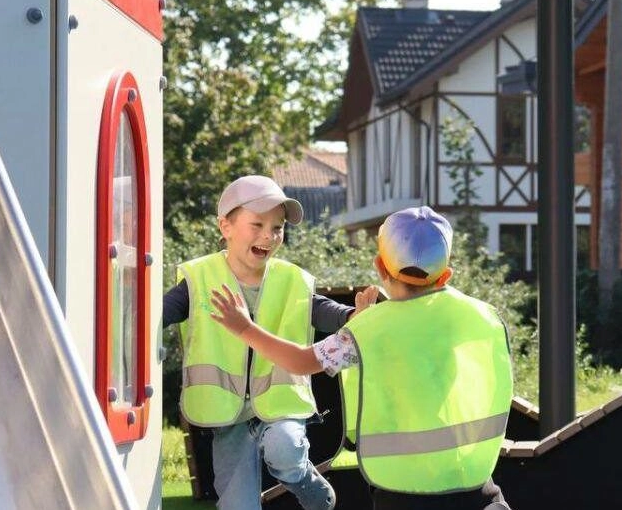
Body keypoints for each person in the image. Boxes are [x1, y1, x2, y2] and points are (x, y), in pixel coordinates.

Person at [209, 206, 514, 510]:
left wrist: (245, 328)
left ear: (380, 267)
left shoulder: (367, 329)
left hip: (402, 490)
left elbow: (301, 362)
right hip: (472, 482)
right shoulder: (482, 316)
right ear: (446, 274)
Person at [164, 175, 379, 510]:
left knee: (286, 447)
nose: (269, 235)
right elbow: (161, 313)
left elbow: (322, 310)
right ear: (226, 226)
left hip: (280, 408)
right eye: (257, 224)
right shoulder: (199, 279)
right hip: (228, 416)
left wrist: (352, 316)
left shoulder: (291, 279)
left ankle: (302, 478)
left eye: (277, 227)